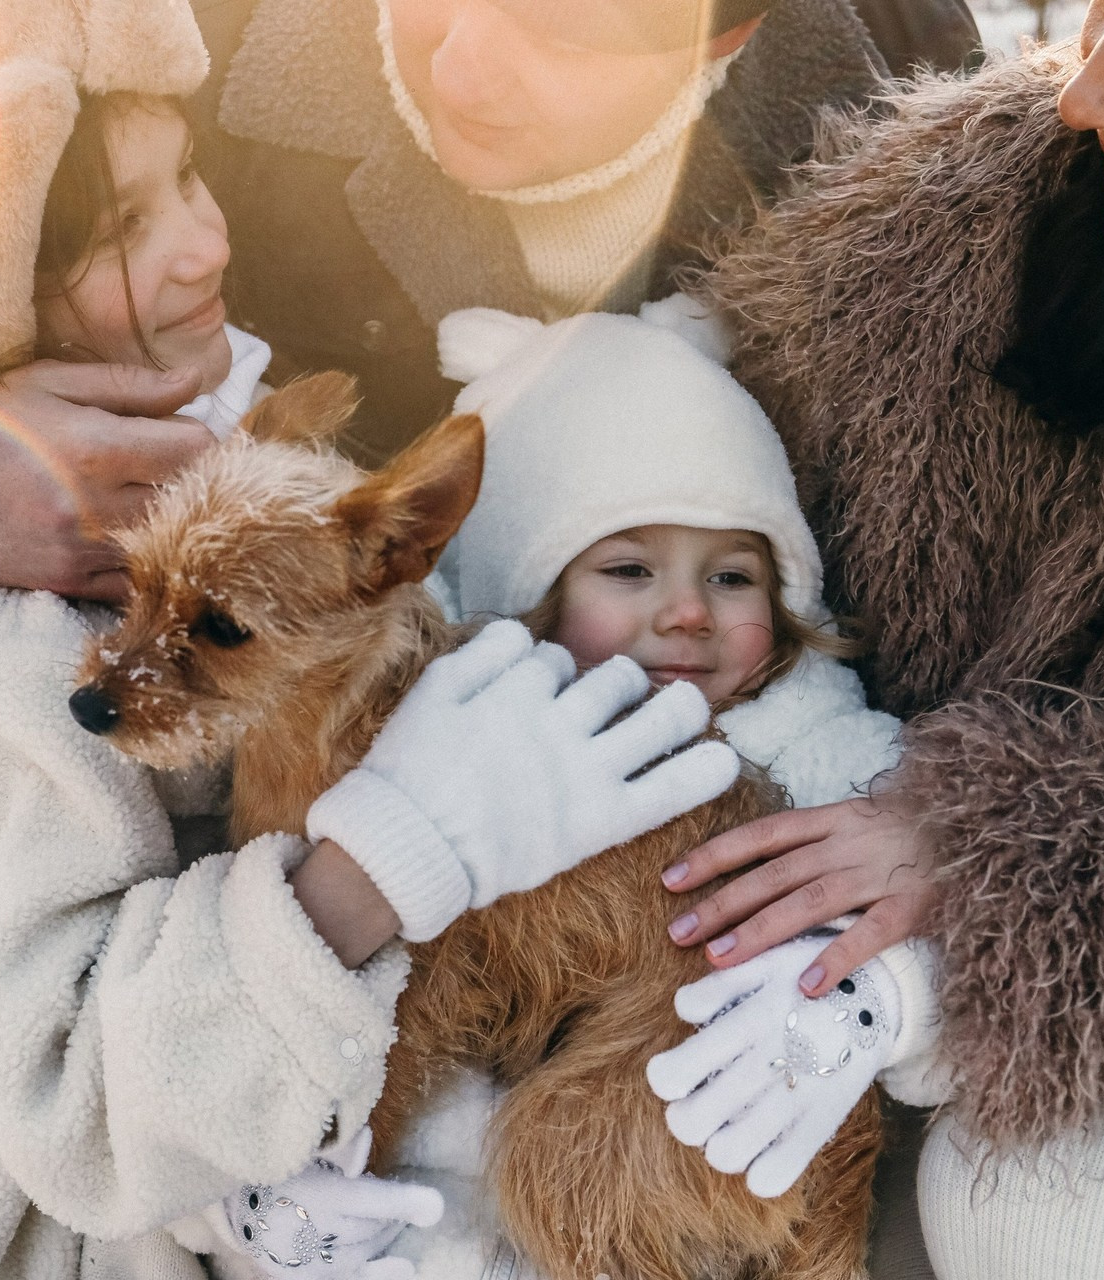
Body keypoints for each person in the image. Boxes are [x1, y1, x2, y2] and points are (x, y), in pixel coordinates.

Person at [0, 8, 739, 1279]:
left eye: (190, 173)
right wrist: (388, 853)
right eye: (124, 229)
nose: (206, 239)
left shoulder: (237, 423)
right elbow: (80, 1110)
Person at [663, 3, 1104, 1275]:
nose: (1084, 98)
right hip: (803, 920)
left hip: (1097, 998)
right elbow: (691, 459)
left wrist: (995, 842)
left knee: (1048, 1201)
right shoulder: (944, 223)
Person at [0, 0, 980, 602]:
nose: (462, 69)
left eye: (561, 29)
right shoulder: (166, 28)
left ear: (727, 36)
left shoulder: (919, 107)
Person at [324, 297, 939, 1279]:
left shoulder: (822, 742)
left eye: (733, 576)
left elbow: (965, 921)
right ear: (524, 593)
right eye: (627, 567)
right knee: (468, 1148)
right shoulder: (484, 744)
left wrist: (881, 1001)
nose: (687, 612)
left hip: (753, 1116)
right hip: (516, 1142)